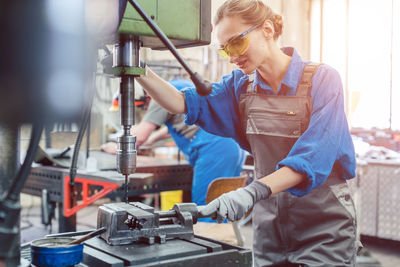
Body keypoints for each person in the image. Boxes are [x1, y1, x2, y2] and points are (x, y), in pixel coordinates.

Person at [135, 1, 359, 265]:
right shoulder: (240, 87)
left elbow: (312, 157)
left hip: (323, 225)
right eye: (224, 50)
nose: (232, 57)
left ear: (266, 30)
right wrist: (134, 64)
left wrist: (251, 193)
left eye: (236, 44)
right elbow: (180, 102)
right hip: (270, 227)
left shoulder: (322, 80)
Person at [102, 78, 246, 222]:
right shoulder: (177, 86)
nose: (146, 109)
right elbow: (175, 126)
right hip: (232, 147)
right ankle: (223, 240)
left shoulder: (159, 94)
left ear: (146, 96)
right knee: (223, 205)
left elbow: (139, 137)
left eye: (144, 106)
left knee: (206, 209)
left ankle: (209, 241)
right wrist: (152, 139)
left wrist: (115, 147)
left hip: (213, 151)